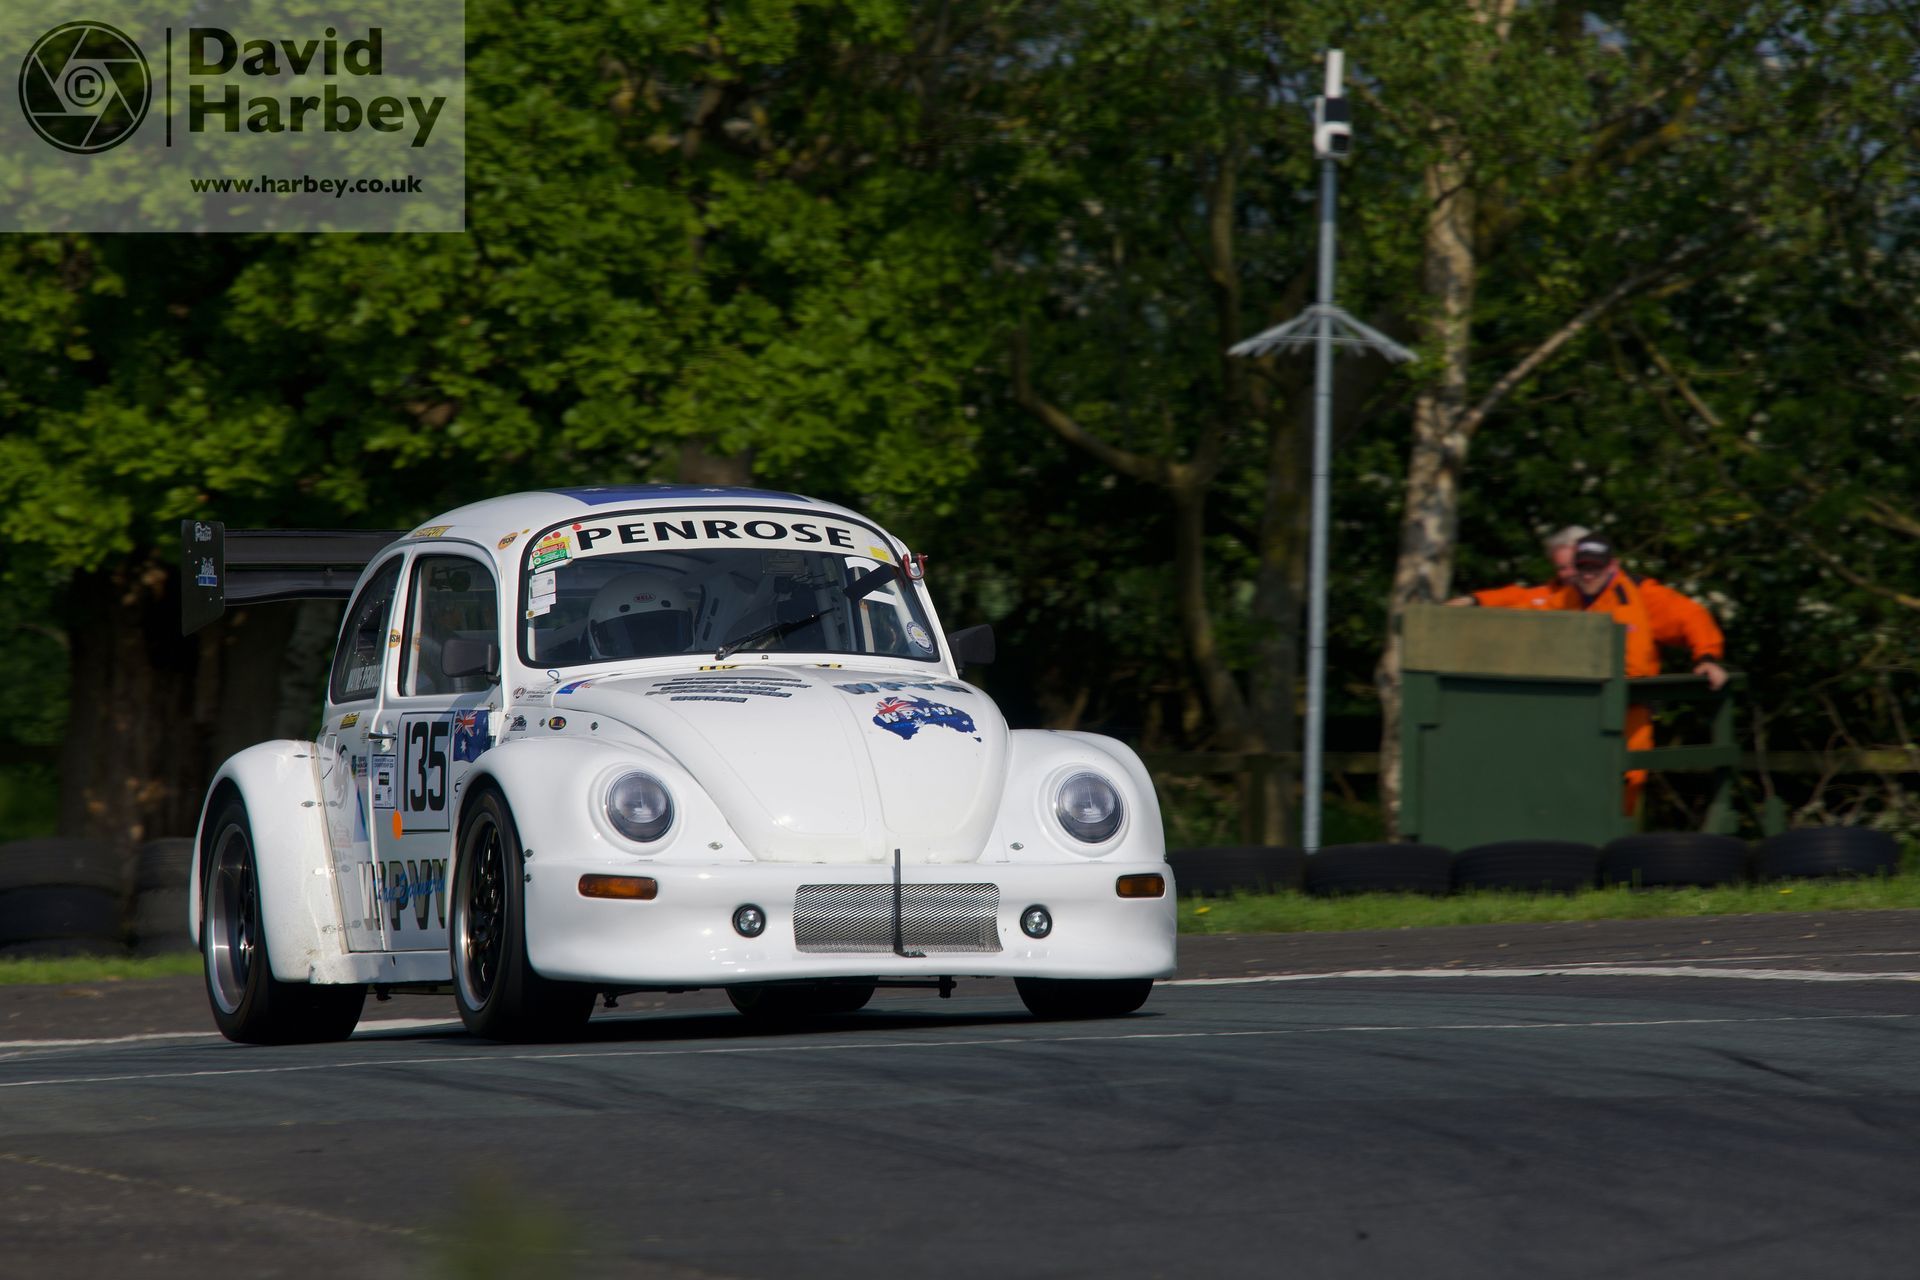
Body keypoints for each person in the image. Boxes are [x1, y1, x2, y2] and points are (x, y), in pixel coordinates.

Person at [1472, 532, 1729, 816]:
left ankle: (1616, 847)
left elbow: (1692, 617)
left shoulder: (1641, 594)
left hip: (1630, 708)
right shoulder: (1565, 597)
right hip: (1577, 710)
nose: (1589, 574)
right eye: (1583, 566)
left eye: (1596, 567)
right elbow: (1522, 602)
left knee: (1628, 783)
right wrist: (1476, 601)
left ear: (1612, 565)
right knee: (1567, 784)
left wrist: (1707, 657)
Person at [1446, 524, 1590, 608]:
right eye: (1561, 568)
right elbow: (1516, 595)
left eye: (1573, 565)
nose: (1568, 573)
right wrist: (1473, 600)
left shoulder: (1607, 593)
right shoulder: (1549, 594)